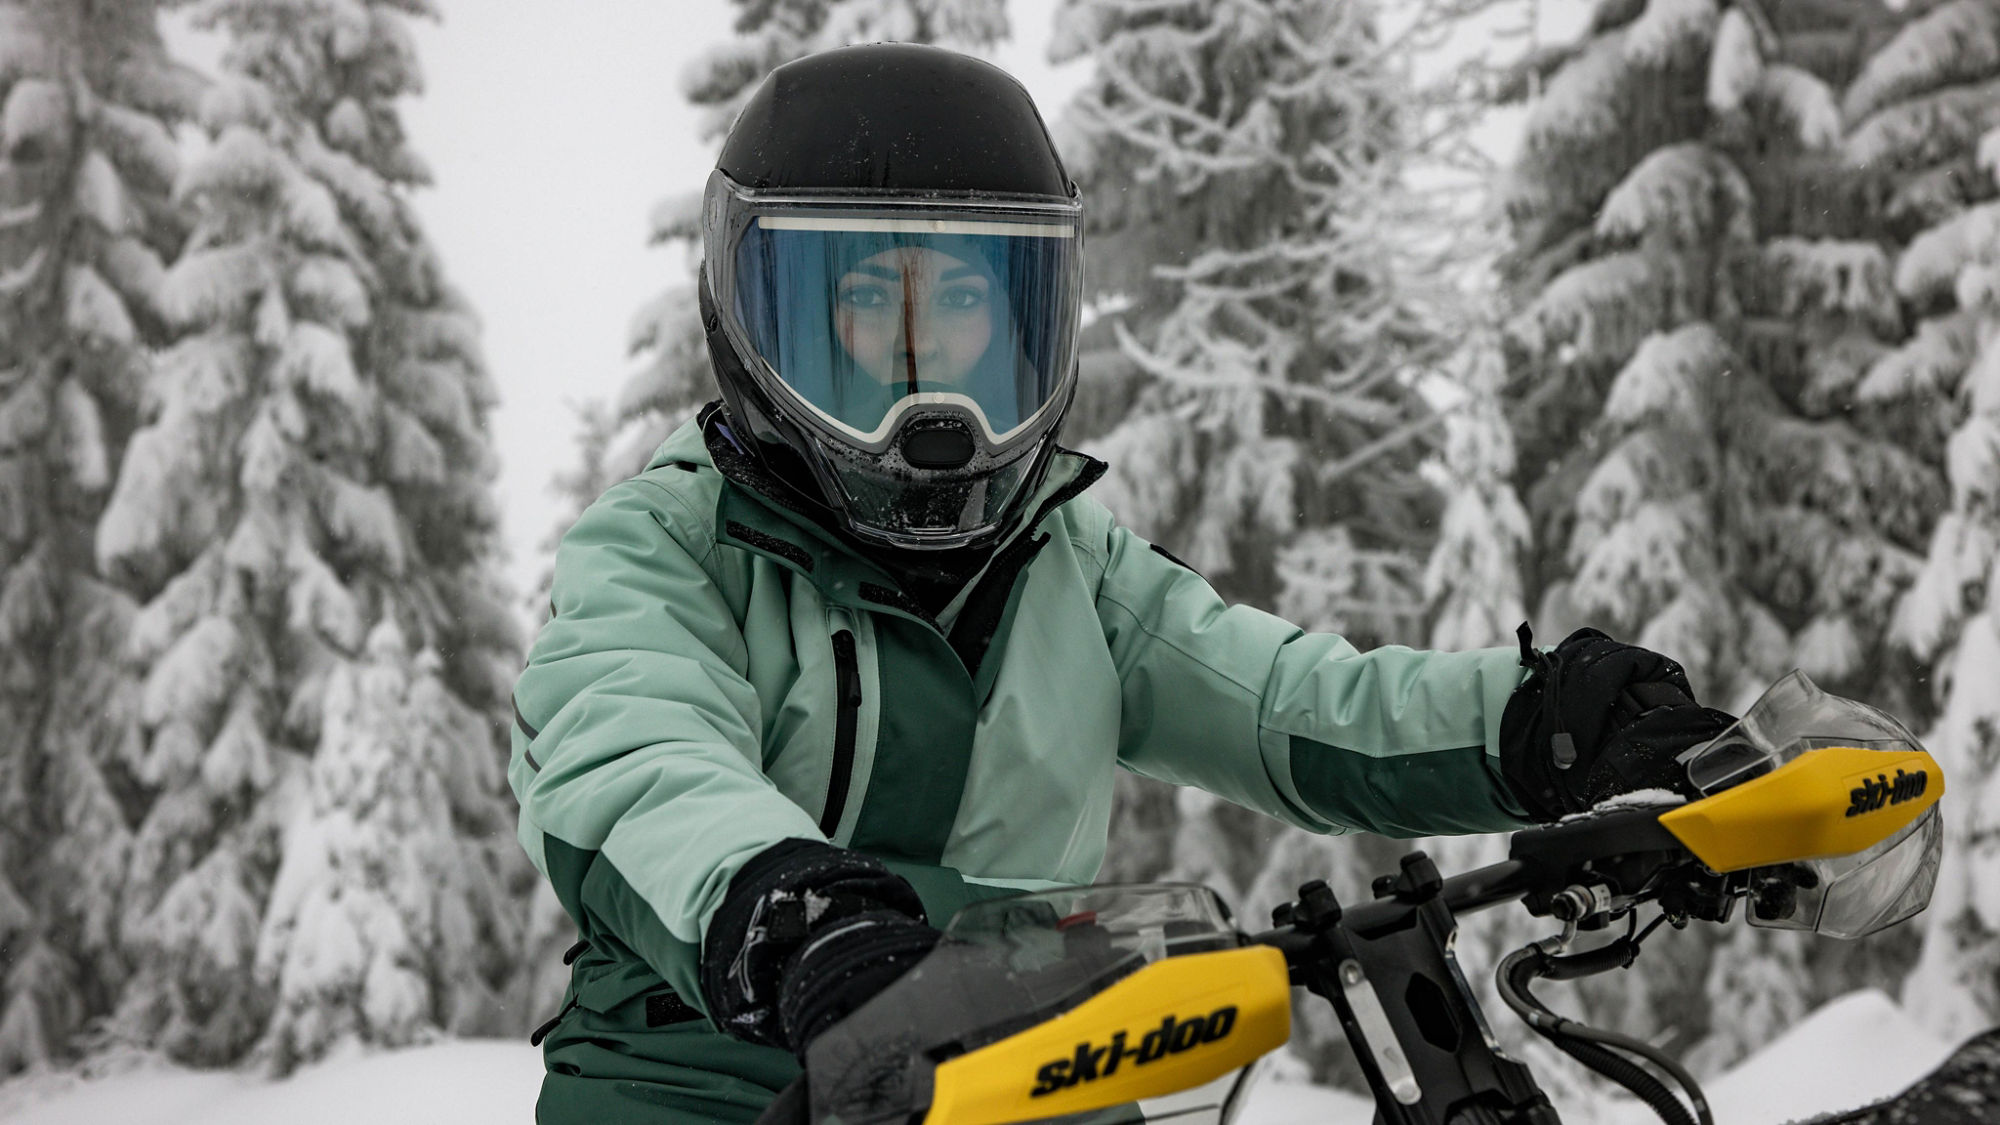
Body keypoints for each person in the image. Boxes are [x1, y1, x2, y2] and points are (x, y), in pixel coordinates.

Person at [508, 43, 1734, 1125]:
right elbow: (633, 759)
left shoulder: (1058, 558)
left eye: (970, 300)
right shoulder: (663, 545)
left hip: (1026, 1070)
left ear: (1033, 324)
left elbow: (1287, 706)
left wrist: (1537, 722)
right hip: (715, 1079)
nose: (919, 365)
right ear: (761, 321)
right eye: (867, 298)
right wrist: (792, 918)